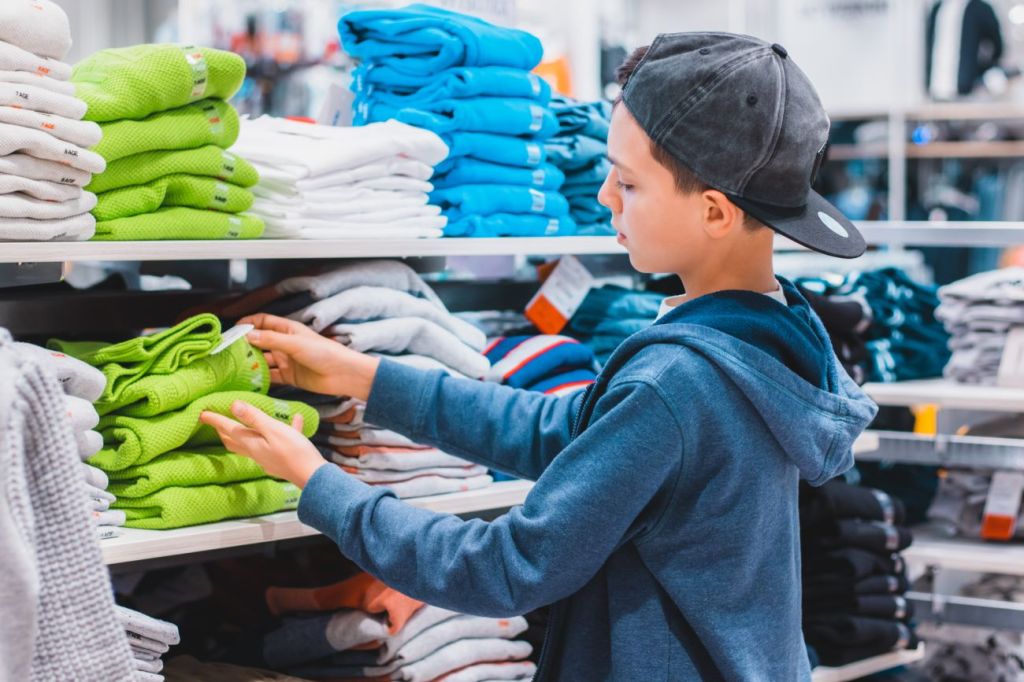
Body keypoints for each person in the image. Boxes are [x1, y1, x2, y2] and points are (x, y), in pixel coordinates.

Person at [201, 33, 878, 680]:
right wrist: (365, 376)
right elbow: (565, 431)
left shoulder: (680, 382)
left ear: (714, 213)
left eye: (629, 184)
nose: (606, 198)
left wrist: (319, 483)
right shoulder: (770, 335)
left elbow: (504, 566)